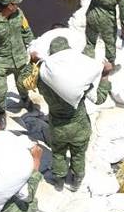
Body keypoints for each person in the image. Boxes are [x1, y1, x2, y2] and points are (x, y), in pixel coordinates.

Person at [39, 37, 111, 191]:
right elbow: (99, 99)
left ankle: (58, 182)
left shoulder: (43, 79)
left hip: (57, 128)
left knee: (58, 154)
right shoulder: (79, 81)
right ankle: (76, 181)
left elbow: (26, 80)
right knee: (78, 155)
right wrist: (104, 77)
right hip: (80, 127)